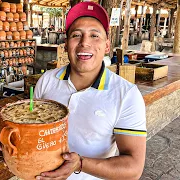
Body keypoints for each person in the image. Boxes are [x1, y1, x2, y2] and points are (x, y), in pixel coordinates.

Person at [34, 2, 146, 180]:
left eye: (95, 35)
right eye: (76, 35)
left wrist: (79, 164)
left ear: (107, 46)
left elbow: (133, 168)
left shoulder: (126, 95)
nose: (85, 42)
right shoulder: (47, 81)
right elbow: (34, 132)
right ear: (66, 45)